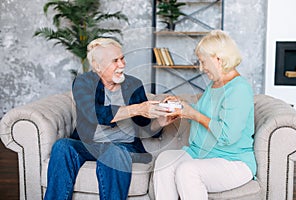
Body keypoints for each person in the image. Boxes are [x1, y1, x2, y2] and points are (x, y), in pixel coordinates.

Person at [44, 38, 176, 200]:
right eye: (115, 61)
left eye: (122, 58)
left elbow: (145, 127)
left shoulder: (134, 85)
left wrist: (160, 122)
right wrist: (138, 108)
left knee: (113, 151)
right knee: (62, 146)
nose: (122, 64)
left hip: (125, 148)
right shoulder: (83, 83)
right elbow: (96, 114)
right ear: (97, 66)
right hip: (89, 145)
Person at [153, 30, 257, 200]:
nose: (202, 68)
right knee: (165, 161)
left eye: (203, 62)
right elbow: (207, 113)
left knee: (188, 170)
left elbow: (227, 135)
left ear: (219, 59)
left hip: (232, 161)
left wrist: (193, 114)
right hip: (200, 153)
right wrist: (182, 107)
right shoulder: (215, 84)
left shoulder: (239, 89)